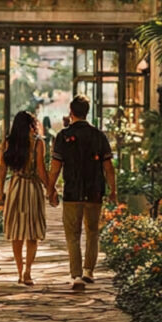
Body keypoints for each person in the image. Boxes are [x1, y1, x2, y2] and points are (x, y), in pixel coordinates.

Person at [48, 95, 117, 290]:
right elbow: (108, 167)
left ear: (71, 112)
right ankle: (89, 271)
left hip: (72, 191)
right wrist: (113, 190)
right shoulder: (98, 136)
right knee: (93, 232)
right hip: (94, 191)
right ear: (87, 112)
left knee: (73, 234)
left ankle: (76, 275)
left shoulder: (63, 136)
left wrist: (50, 188)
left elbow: (55, 167)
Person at [0, 110, 50, 285]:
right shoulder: (37, 144)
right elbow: (41, 170)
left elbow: (2, 169)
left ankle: (20, 272)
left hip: (15, 187)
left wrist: (0, 191)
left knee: (17, 233)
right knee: (32, 232)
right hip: (32, 188)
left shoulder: (8, 143)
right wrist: (51, 189)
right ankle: (28, 272)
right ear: (30, 125)